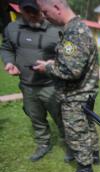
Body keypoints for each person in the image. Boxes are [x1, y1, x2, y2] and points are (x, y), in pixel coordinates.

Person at [34, 0, 100, 172]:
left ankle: (85, 168)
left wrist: (47, 67)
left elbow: (71, 71)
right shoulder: (78, 28)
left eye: (45, 12)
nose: (44, 16)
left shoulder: (74, 32)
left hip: (76, 94)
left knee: (76, 131)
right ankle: (93, 155)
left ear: (56, 7)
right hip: (86, 91)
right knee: (87, 126)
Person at [0, 0, 64, 161]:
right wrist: (9, 62)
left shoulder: (55, 29)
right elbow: (7, 48)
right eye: (27, 11)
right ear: (20, 10)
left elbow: (69, 55)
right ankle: (43, 144)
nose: (31, 15)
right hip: (27, 86)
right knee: (35, 116)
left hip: (51, 85)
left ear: (42, 10)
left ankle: (68, 142)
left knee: (61, 116)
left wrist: (53, 65)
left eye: (35, 11)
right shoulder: (12, 28)